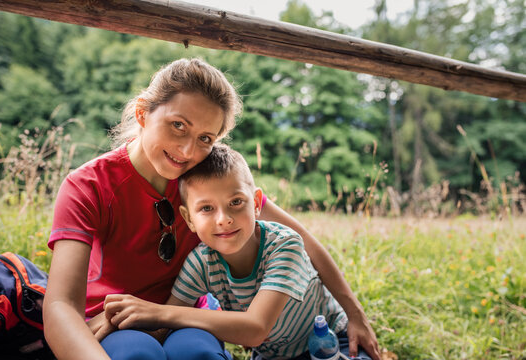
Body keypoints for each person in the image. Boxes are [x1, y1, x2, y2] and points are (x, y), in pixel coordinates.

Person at [43, 58, 380, 360]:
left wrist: (355, 314)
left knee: (197, 352)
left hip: (188, 316)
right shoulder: (88, 186)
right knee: (136, 353)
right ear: (143, 112)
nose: (187, 150)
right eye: (178, 125)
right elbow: (60, 306)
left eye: (205, 138)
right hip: (116, 321)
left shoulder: (205, 184)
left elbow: (300, 238)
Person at [103, 143, 373, 359]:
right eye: (206, 208)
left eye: (236, 202)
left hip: (331, 341)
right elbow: (167, 323)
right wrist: (108, 325)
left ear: (256, 203)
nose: (223, 219)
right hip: (272, 356)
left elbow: (255, 329)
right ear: (188, 219)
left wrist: (156, 311)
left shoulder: (284, 244)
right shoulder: (201, 262)